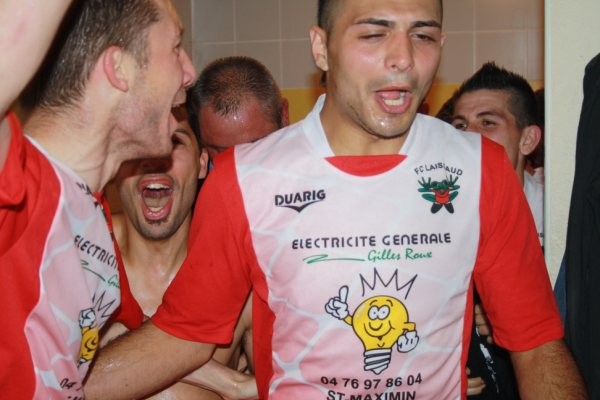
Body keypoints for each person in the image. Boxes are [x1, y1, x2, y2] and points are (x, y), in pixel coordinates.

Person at [85, 1, 587, 399]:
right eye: (373, 34)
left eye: (422, 35)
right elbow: (183, 336)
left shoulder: (480, 170)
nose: (403, 58)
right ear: (321, 48)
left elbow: (536, 344)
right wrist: (52, 384)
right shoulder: (246, 179)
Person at [0, 0, 196, 398]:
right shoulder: (15, 175)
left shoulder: (93, 213)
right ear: (118, 69)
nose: (189, 72)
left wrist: (241, 385)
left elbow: (127, 343)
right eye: (176, 47)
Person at [102, 55, 288, 398]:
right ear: (113, 164)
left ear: (203, 163)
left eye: (175, 142)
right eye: (137, 142)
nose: (155, 158)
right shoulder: (78, 257)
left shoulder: (248, 273)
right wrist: (230, 383)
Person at [441, 62, 545, 399]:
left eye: (488, 123)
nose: (469, 137)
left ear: (528, 139)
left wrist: (510, 312)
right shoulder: (433, 216)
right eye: (460, 125)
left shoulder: (557, 214)